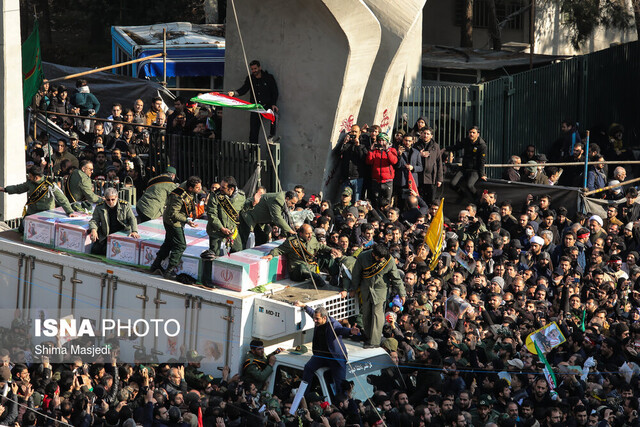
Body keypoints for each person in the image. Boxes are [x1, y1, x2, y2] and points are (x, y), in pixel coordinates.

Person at [289, 302, 360, 410]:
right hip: (321, 355)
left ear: (324, 318)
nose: (315, 321)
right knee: (308, 368)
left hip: (335, 358)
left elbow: (341, 330)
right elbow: (313, 313)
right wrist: (304, 306)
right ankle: (302, 395)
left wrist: (350, 331)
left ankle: (342, 406)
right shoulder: (317, 319)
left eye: (317, 319)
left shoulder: (333, 324)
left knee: (340, 384)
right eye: (314, 319)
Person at [349, 243, 406, 348]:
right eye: (379, 258)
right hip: (366, 289)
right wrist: (353, 288)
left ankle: (374, 342)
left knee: (377, 315)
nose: (381, 260)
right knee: (366, 314)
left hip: (380, 291)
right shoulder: (363, 257)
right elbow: (356, 274)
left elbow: (396, 278)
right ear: (374, 254)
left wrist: (402, 293)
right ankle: (368, 336)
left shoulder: (389, 260)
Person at [150, 176, 202, 280]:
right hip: (173, 222)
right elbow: (174, 213)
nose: (200, 189)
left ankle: (156, 265)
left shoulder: (188, 187)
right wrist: (187, 220)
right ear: (190, 188)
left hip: (171, 220)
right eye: (197, 188)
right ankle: (169, 270)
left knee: (169, 242)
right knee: (180, 245)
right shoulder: (178, 196)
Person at [0, 165, 77, 231]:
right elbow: (18, 188)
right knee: (22, 229)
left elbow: (62, 199)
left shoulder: (49, 185)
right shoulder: (30, 183)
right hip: (31, 212)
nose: (29, 178)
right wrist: (5, 189)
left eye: (30, 176)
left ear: (36, 177)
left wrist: (70, 212)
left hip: (45, 214)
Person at [263, 224, 338, 287]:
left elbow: (319, 246)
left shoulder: (313, 238)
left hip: (311, 266)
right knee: (302, 267)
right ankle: (317, 279)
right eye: (307, 234)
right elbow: (279, 249)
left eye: (311, 233)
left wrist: (331, 249)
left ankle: (335, 278)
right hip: (298, 272)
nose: (310, 235)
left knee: (327, 258)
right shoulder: (292, 242)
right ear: (301, 233)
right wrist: (271, 255)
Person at [228, 59, 279, 143]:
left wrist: (273, 104)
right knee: (253, 131)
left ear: (259, 68)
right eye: (252, 69)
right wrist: (234, 93)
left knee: (275, 117)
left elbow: (275, 92)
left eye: (255, 69)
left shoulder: (268, 77)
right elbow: (244, 89)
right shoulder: (250, 78)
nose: (254, 71)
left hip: (266, 105)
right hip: (255, 107)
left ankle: (271, 137)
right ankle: (253, 151)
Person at [88, 188, 139, 255]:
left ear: (117, 197)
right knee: (95, 250)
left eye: (113, 199)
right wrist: (93, 230)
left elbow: (132, 218)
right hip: (106, 234)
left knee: (110, 251)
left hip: (121, 233)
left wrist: (134, 231)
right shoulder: (99, 207)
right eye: (108, 200)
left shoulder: (125, 205)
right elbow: (94, 220)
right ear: (105, 198)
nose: (111, 202)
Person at [204, 176, 246, 256]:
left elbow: (243, 210)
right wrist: (221, 228)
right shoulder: (215, 195)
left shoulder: (241, 197)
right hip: (216, 229)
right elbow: (211, 214)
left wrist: (252, 204)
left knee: (238, 251)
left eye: (223, 187)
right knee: (214, 254)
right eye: (221, 186)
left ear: (231, 189)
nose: (220, 189)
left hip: (231, 230)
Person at [449, 126, 487, 199]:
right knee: (452, 184)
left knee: (469, 185)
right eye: (470, 132)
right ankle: (462, 195)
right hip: (464, 168)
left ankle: (478, 199)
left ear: (477, 134)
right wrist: (446, 149)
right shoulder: (466, 141)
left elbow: (482, 161)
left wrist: (482, 174)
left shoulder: (482, 145)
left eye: (473, 133)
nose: (471, 134)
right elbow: (457, 147)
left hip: (474, 170)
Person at [366, 133, 398, 208]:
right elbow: (369, 162)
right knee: (376, 200)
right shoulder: (375, 151)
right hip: (376, 180)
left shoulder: (392, 150)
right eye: (379, 140)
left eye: (383, 140)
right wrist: (371, 151)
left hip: (387, 180)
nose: (381, 142)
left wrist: (387, 150)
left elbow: (394, 161)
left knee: (387, 201)